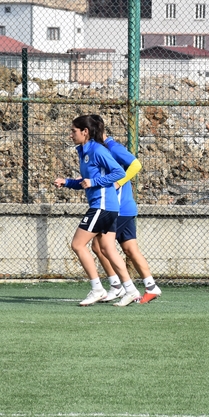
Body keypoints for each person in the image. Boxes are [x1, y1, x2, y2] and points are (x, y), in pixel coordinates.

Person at [53, 115, 137, 307]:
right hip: (104, 206)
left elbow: (119, 173)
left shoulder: (98, 150)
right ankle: (130, 290)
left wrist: (94, 182)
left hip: (103, 206)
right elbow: (86, 183)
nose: (71, 134)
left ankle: (97, 288)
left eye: (74, 131)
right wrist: (66, 182)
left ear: (85, 132)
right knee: (106, 248)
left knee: (78, 245)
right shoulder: (83, 151)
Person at [84, 116, 162, 305]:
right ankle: (151, 286)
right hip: (125, 207)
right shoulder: (99, 150)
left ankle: (117, 286)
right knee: (129, 249)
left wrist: (119, 182)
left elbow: (136, 164)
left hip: (120, 208)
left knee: (99, 246)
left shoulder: (112, 147)